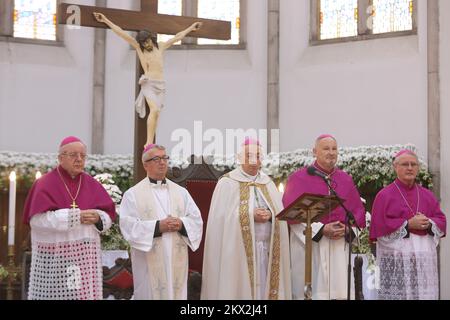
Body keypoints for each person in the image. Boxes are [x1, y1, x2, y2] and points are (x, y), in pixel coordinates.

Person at [22, 136, 116, 300]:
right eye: (73, 155)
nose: (79, 159)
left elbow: (108, 216)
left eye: (82, 155)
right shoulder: (45, 183)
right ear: (61, 158)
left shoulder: (92, 184)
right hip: (52, 260)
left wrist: (98, 218)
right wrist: (73, 217)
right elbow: (36, 221)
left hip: (82, 260)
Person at [93, 12, 202, 148]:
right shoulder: (140, 49)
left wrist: (191, 27)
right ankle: (148, 142)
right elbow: (121, 33)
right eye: (144, 43)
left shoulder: (160, 47)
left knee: (156, 115)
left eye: (148, 41)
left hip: (161, 85)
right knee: (154, 110)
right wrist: (105, 20)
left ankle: (151, 141)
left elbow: (177, 37)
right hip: (149, 84)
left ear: (152, 38)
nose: (146, 44)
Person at [201, 138, 291, 300]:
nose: (253, 160)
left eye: (257, 156)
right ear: (239, 158)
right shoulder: (227, 183)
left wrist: (271, 216)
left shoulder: (268, 183)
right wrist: (250, 215)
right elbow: (220, 221)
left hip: (266, 253)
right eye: (248, 155)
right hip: (238, 253)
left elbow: (280, 215)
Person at [282, 134, 366, 300]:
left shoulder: (345, 179)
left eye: (334, 149)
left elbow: (357, 213)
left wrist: (348, 229)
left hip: (338, 249)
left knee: (339, 293)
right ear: (315, 152)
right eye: (326, 148)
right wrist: (321, 229)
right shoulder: (299, 178)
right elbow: (293, 216)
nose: (331, 152)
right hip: (310, 247)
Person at [119, 144, 203, 299]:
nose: (162, 162)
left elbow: (196, 220)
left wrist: (181, 223)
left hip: (176, 256)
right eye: (156, 159)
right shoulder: (133, 195)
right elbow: (128, 226)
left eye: (164, 158)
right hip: (148, 261)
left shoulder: (181, 192)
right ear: (145, 165)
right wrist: (158, 226)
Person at [369, 149, 446, 300]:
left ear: (418, 168)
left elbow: (441, 221)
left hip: (423, 262)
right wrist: (408, 225)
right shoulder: (384, 195)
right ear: (395, 167)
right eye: (405, 164)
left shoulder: (427, 195)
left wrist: (428, 223)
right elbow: (380, 228)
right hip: (396, 262)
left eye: (413, 164)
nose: (410, 168)